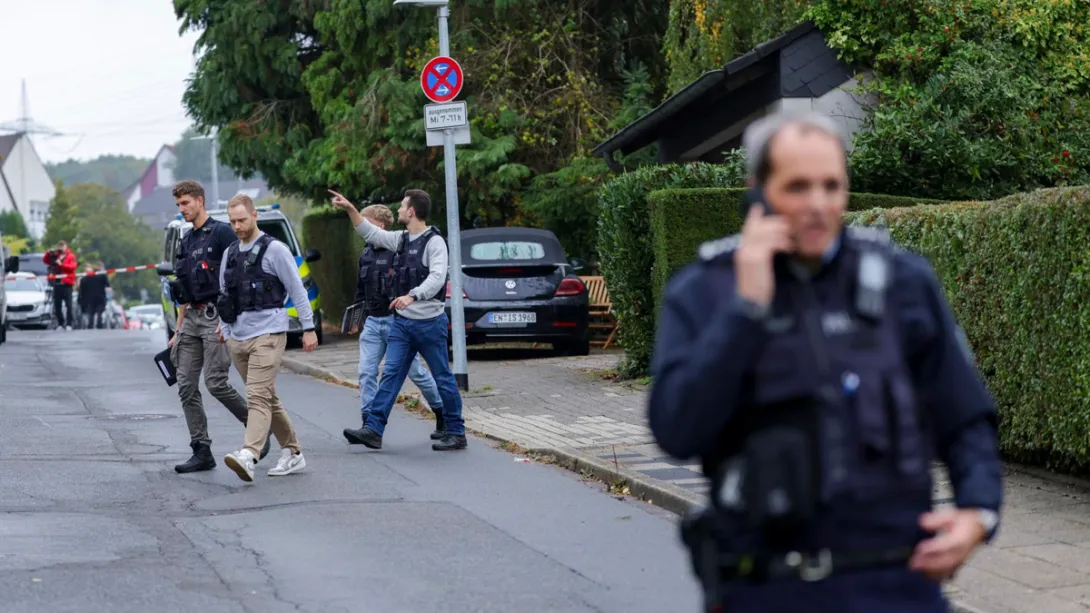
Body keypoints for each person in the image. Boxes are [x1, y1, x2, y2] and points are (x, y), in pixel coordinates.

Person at [648, 111, 1003, 613]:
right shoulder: (704, 292)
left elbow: (965, 416)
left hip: (898, 588)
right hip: (770, 591)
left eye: (831, 186)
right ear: (758, 190)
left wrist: (978, 513)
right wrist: (746, 312)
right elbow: (675, 430)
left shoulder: (904, 283)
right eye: (797, 187)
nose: (818, 205)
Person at [328, 188, 467, 452]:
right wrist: (350, 208)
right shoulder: (402, 239)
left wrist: (413, 295)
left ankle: (457, 432)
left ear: (412, 211)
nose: (400, 210)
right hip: (402, 324)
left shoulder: (434, 242)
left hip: (429, 323)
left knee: (442, 377)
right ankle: (374, 430)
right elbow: (371, 233)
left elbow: (437, 277)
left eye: (403, 206)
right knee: (390, 375)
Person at [168, 180, 267, 474]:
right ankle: (201, 450)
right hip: (192, 319)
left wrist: (234, 320)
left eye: (185, 203)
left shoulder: (223, 232)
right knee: (185, 385)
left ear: (200, 201)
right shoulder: (186, 240)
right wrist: (178, 328)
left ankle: (258, 431)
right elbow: (184, 288)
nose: (182, 209)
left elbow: (239, 273)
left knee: (216, 383)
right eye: (178, 205)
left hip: (215, 318)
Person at [217, 194, 317, 482]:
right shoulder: (230, 254)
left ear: (254, 216)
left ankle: (249, 454)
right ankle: (293, 454)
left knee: (257, 396)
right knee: (267, 398)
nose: (237, 226)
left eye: (242, 220)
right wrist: (226, 331)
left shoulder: (276, 250)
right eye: (232, 221)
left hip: (269, 332)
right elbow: (224, 296)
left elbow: (297, 291)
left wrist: (308, 327)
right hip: (238, 337)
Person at [348, 203, 447, 441]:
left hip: (396, 322)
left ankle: (441, 412)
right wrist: (356, 318)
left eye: (366, 221)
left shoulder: (397, 249)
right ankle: (369, 423)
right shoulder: (366, 253)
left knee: (417, 373)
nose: (362, 228)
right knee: (366, 371)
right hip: (372, 321)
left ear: (379, 225)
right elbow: (361, 289)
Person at [43, 240, 77, 330]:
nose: (61, 247)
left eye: (63, 246)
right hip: (57, 284)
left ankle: (69, 323)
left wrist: (62, 264)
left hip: (67, 284)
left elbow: (72, 267)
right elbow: (46, 260)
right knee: (57, 305)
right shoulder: (56, 255)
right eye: (60, 246)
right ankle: (60, 323)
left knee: (69, 305)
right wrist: (48, 253)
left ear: (66, 246)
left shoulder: (71, 256)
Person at [78, 263, 109, 329]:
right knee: (99, 313)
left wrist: (82, 299)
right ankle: (99, 326)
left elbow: (82, 289)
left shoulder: (86, 278)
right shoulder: (102, 276)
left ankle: (90, 326)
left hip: (90, 298)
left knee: (91, 313)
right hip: (100, 297)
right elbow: (107, 284)